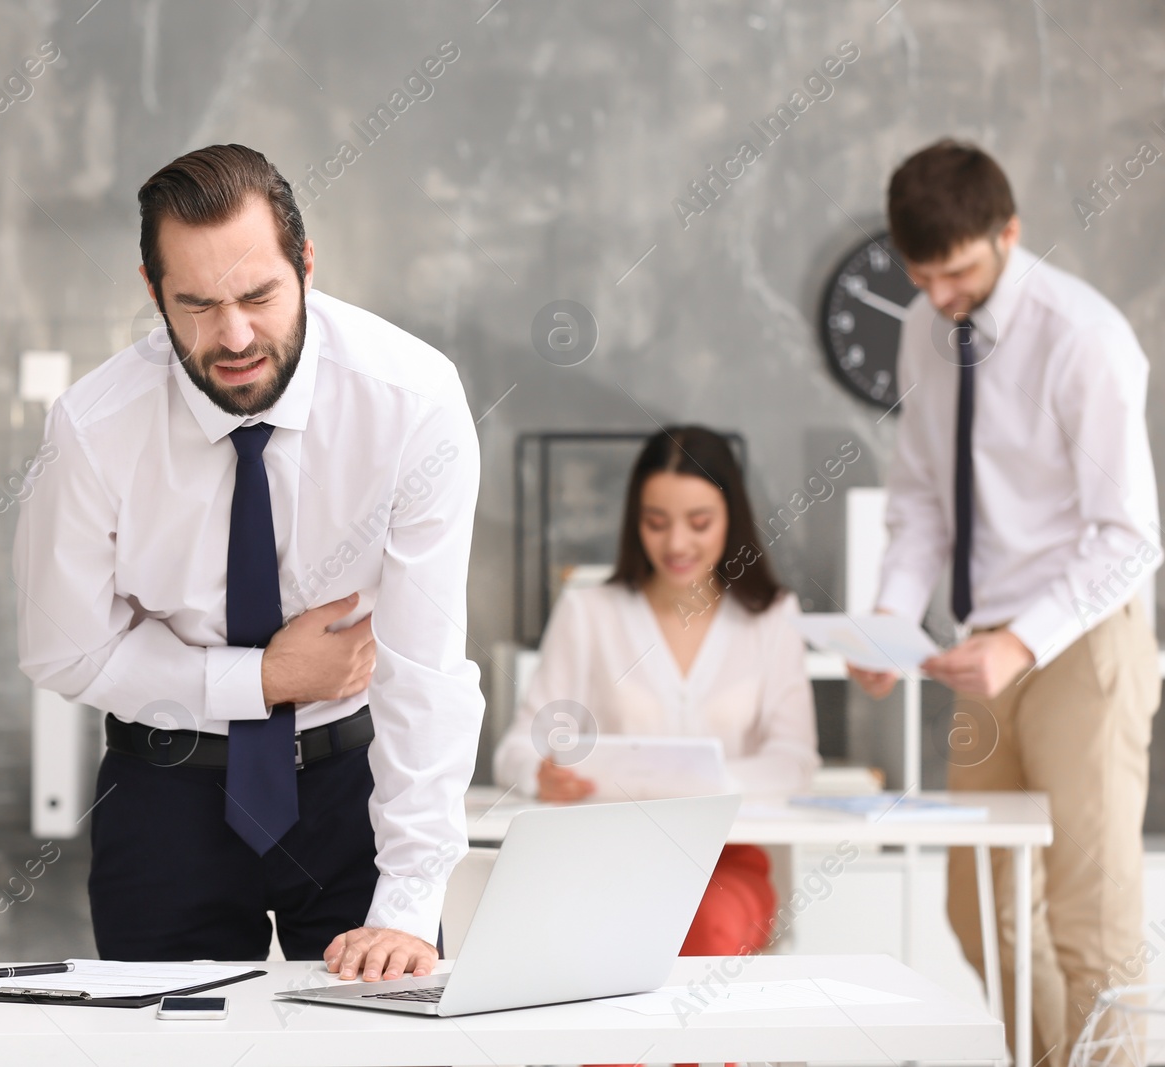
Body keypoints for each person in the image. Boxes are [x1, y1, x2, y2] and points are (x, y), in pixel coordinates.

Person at [12, 144, 483, 984]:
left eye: (259, 295)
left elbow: (425, 669)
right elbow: (63, 649)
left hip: (354, 789)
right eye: (195, 304)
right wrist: (261, 678)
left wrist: (409, 899)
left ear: (306, 262)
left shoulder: (413, 402)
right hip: (164, 789)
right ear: (153, 290)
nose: (232, 337)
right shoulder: (94, 428)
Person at [850, 139, 1160, 1066]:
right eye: (921, 276)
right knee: (978, 905)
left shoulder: (1086, 339)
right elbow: (919, 503)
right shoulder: (922, 325)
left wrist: (1021, 643)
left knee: (1089, 919)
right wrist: (893, 619)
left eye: (957, 272)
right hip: (982, 651)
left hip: (1082, 644)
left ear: (1009, 233)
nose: (941, 295)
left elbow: (1132, 537)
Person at [494, 425, 820, 963]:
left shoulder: (771, 618)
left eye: (699, 523)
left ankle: (697, 1051)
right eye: (656, 522)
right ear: (634, 521)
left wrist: (706, 784)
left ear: (731, 518)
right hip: (610, 859)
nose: (676, 545)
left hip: (729, 862)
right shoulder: (589, 612)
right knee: (609, 935)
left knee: (708, 924)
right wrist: (542, 775)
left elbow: (796, 760)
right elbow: (517, 751)